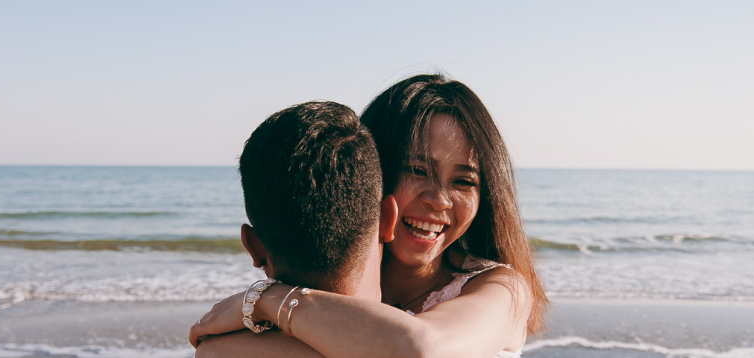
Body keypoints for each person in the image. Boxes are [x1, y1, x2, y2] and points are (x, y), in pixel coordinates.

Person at [191, 74, 548, 358]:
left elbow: (425, 351)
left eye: (463, 181)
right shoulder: (333, 285)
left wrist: (267, 299)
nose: (440, 200)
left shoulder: (502, 290)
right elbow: (215, 352)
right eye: (418, 170)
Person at [194, 100, 397, 357]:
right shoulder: (436, 335)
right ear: (389, 220)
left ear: (253, 247)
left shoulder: (218, 350)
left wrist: (261, 300)